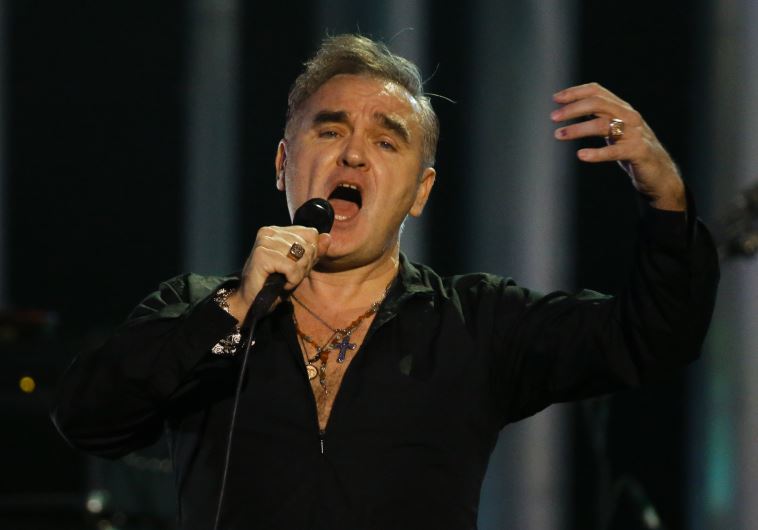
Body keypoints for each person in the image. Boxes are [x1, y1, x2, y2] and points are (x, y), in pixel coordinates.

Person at [52, 34, 719, 530]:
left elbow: (654, 335)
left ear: (420, 191)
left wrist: (664, 194)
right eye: (330, 130)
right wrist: (234, 308)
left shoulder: (476, 324)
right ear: (283, 164)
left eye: (387, 141)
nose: (352, 154)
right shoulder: (200, 308)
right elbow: (88, 419)